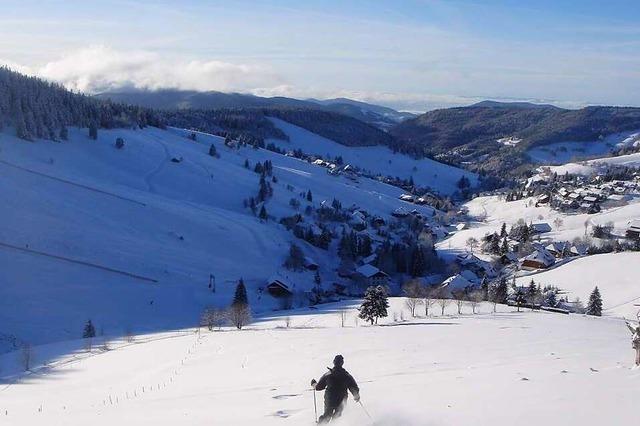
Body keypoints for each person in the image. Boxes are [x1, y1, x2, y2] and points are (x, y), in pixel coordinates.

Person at [311, 355, 360, 424]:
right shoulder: (346, 375)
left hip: (330, 399)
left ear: (334, 362)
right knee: (337, 418)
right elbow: (353, 387)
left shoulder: (328, 374)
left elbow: (319, 387)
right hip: (342, 399)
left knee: (327, 415)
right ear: (342, 363)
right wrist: (356, 395)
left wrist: (314, 384)